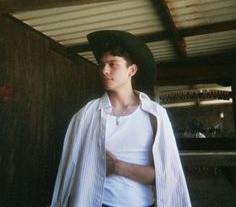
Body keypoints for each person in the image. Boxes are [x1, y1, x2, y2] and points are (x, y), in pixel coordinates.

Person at [50, 30, 191, 207]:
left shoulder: (155, 115)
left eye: (113, 64)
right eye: (101, 65)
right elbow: (68, 168)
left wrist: (118, 167)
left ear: (132, 70)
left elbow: (165, 176)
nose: (104, 70)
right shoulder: (86, 115)